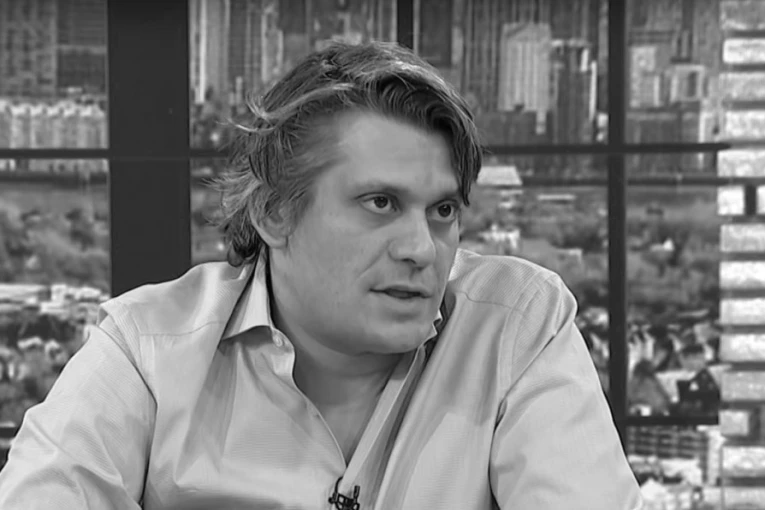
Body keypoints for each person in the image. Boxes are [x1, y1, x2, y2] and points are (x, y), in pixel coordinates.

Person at [0, 41, 643, 509]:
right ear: (275, 212)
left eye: (443, 210)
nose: (422, 249)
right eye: (380, 203)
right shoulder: (146, 349)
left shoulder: (519, 326)